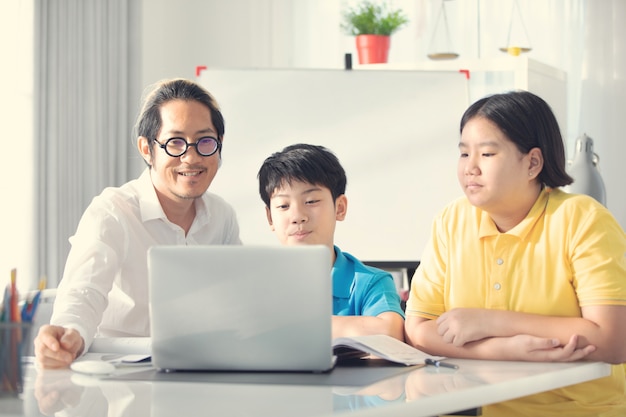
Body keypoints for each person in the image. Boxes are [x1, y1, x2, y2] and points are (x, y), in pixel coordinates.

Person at [404, 90, 626, 415]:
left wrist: (490, 321)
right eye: (464, 154)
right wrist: (504, 348)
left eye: (488, 154)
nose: (470, 168)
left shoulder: (583, 218)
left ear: (533, 162)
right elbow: (418, 329)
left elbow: (611, 340)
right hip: (483, 409)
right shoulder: (452, 220)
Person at [34, 78, 241, 369]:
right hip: (121, 375)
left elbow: (240, 297)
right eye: (175, 142)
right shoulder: (112, 211)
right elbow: (83, 292)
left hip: (198, 370)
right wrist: (70, 334)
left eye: (205, 142)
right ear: (147, 149)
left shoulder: (222, 216)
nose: (191, 157)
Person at [257, 143, 404, 340]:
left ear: (340, 208)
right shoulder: (256, 284)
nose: (297, 216)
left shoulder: (370, 283)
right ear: (270, 218)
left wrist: (291, 325)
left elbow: (389, 332)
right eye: (283, 205)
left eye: (311, 201)